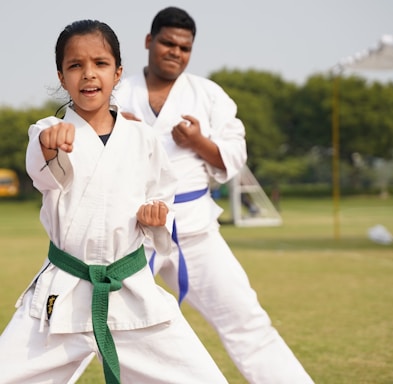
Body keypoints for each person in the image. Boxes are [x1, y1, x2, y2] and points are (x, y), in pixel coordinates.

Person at [0, 19, 229, 384]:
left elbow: (162, 201)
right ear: (61, 77)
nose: (88, 75)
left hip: (131, 291)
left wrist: (155, 219)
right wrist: (49, 142)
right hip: (63, 294)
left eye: (100, 64)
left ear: (118, 72)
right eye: (75, 65)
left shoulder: (142, 138)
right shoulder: (49, 131)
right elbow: (44, 171)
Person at [113, 7, 316, 384]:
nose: (176, 52)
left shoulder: (209, 95)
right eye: (168, 43)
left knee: (246, 319)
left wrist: (197, 141)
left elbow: (235, 157)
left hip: (195, 230)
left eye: (184, 48)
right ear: (149, 42)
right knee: (96, 322)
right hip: (131, 230)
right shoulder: (117, 93)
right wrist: (120, 133)